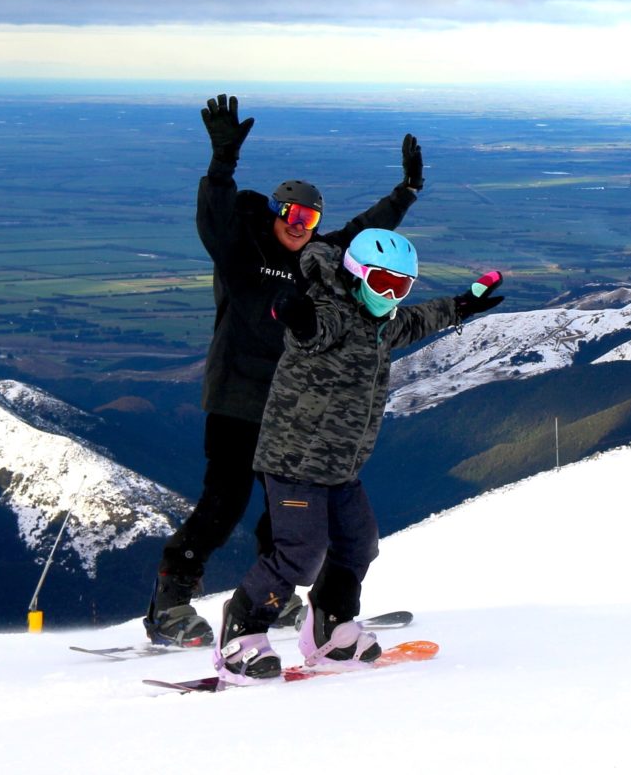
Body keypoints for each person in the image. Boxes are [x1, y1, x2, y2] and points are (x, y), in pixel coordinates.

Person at [144, 95, 426, 646]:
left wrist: (406, 193)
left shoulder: (317, 259)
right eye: (293, 215)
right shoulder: (239, 249)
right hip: (234, 398)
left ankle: (276, 600)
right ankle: (170, 603)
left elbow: (363, 233)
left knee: (289, 517)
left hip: (291, 409)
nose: (301, 226)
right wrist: (221, 162)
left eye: (310, 218)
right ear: (276, 213)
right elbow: (215, 215)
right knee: (222, 505)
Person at [212, 229, 505, 683]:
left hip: (340, 466)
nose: (390, 295)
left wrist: (462, 304)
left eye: (400, 286)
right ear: (353, 275)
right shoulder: (331, 313)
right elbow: (310, 332)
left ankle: (331, 630)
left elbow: (418, 320)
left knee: (359, 543)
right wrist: (297, 317)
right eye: (381, 283)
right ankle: (242, 633)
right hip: (294, 461)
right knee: (299, 554)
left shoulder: (380, 322)